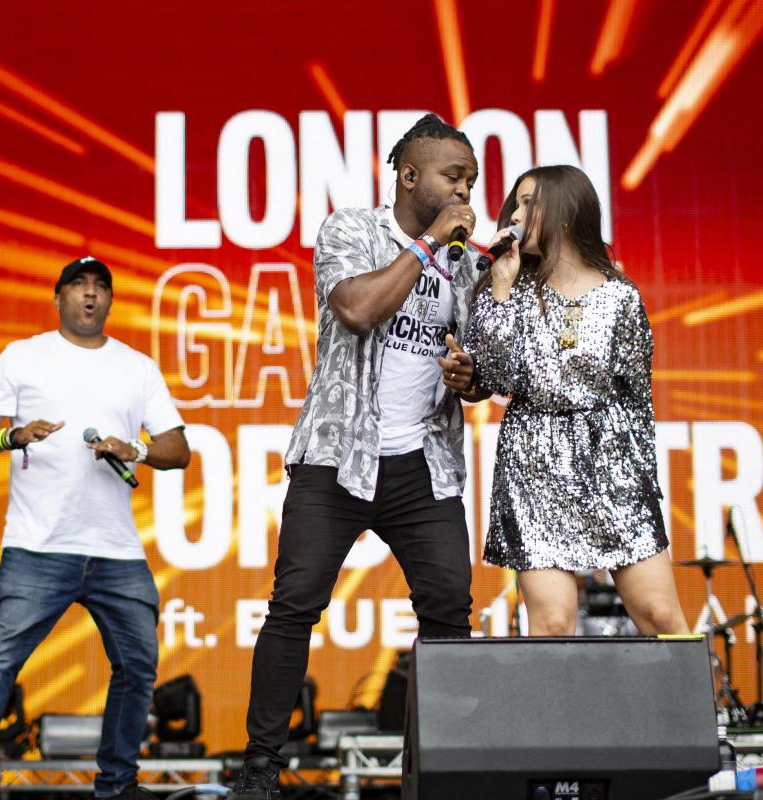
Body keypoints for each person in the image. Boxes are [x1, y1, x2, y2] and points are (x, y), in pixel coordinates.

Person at [227, 114, 482, 800]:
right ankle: (259, 767)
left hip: (425, 464)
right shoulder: (350, 230)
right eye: (452, 175)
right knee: (295, 604)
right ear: (408, 175)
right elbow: (359, 309)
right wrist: (429, 244)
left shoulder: (472, 261)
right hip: (338, 456)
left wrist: (471, 378)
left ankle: (440, 772)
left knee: (448, 611)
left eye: (471, 179)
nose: (465, 189)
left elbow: (483, 367)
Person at [0, 256, 190, 800]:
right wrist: (14, 436)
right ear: (57, 297)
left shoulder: (137, 367)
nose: (90, 295)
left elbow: (179, 450)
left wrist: (139, 449)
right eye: (78, 286)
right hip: (38, 545)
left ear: (110, 300)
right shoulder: (23, 357)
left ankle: (118, 785)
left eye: (100, 287)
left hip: (116, 550)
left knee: (137, 667)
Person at [465, 165, 689, 639]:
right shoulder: (508, 288)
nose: (516, 213)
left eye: (530, 203)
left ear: (565, 213)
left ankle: (693, 717)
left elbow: (638, 403)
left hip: (613, 465)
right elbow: (495, 376)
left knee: (661, 617)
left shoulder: (621, 296)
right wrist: (501, 287)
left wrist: (641, 489)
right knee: (552, 624)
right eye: (516, 203)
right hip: (534, 463)